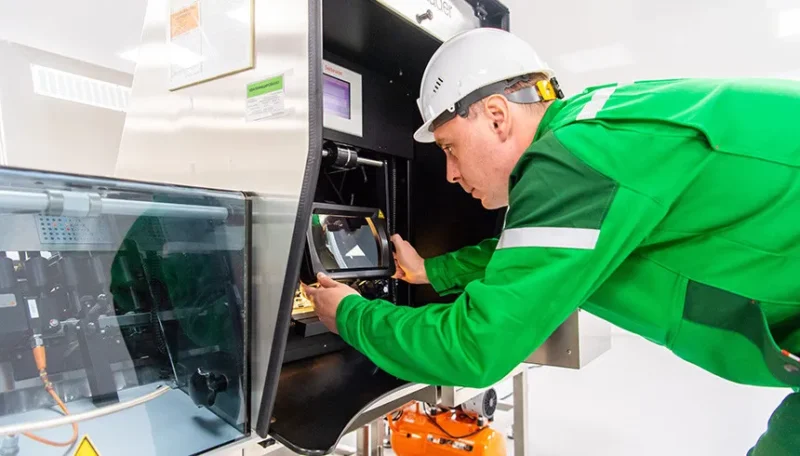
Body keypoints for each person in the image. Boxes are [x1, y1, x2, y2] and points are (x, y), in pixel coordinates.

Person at [303, 27, 800, 454]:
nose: (450, 173)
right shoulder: (592, 129)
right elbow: (534, 250)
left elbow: (475, 347)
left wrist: (348, 313)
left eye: (451, 148)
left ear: (497, 116)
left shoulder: (573, 157)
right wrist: (432, 271)